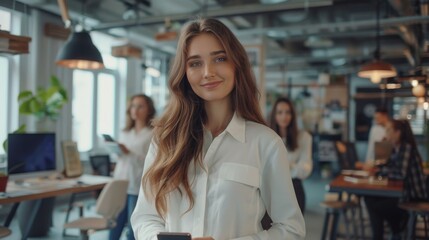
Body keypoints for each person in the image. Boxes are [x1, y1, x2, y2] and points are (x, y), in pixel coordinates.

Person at [131, 18, 305, 240]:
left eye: (220, 58)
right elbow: (145, 218)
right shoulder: (165, 139)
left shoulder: (265, 143)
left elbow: (291, 229)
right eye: (195, 63)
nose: (207, 72)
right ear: (184, 73)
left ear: (236, 64)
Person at [364, 119, 428, 240]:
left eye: (388, 130)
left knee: (375, 207)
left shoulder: (406, 147)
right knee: (369, 198)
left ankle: (395, 229)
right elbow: (389, 166)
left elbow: (400, 173)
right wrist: (378, 168)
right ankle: (395, 229)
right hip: (402, 192)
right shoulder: (396, 148)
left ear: (397, 133)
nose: (385, 133)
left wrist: (379, 171)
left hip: (412, 196)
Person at [109, 94, 155, 240]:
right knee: (115, 224)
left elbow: (151, 161)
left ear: (149, 109)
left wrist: (129, 153)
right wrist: (117, 150)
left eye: (140, 106)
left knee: (132, 226)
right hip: (120, 182)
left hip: (137, 184)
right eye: (133, 106)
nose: (136, 110)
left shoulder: (152, 133)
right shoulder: (125, 132)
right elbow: (120, 158)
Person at [269, 97, 313, 214]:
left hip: (294, 188)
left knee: (294, 230)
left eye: (288, 112)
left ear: (293, 115)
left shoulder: (304, 137)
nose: (284, 116)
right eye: (280, 112)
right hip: (271, 189)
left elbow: (305, 169)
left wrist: (281, 167)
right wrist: (292, 166)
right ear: (274, 115)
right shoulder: (267, 138)